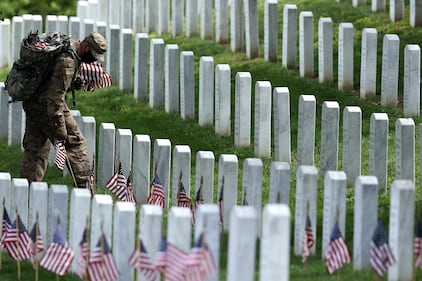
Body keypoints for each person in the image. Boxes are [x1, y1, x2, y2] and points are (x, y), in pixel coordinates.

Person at [20, 32, 108, 188]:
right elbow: (55, 99)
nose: (93, 59)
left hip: (33, 102)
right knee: (75, 143)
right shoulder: (67, 60)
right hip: (46, 105)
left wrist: (75, 82)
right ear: (86, 46)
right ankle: (85, 190)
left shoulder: (71, 49)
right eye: (93, 55)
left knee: (36, 149)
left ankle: (26, 193)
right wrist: (60, 130)